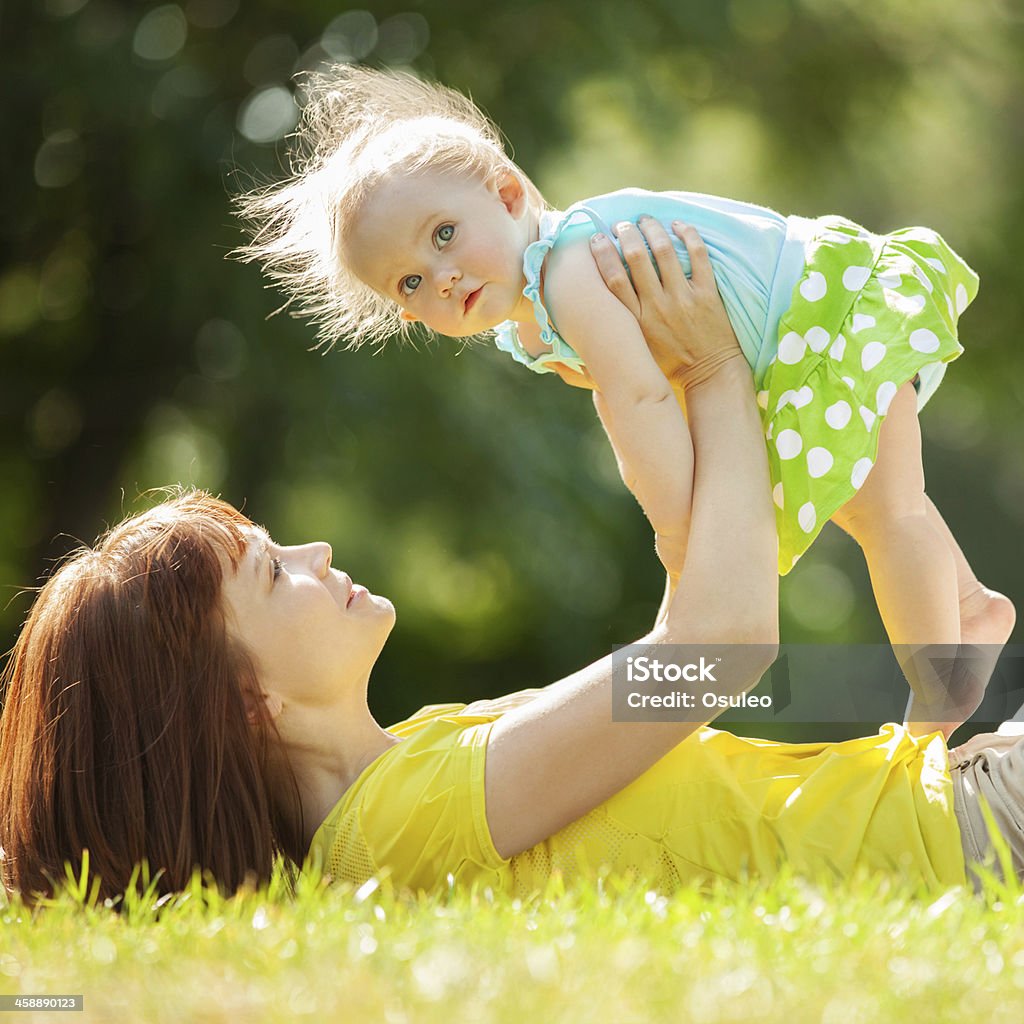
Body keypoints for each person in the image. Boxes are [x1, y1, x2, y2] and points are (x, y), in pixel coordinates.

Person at [1, 225, 1018, 906]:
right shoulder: (403, 825)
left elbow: (673, 662)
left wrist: (655, 408)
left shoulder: (420, 763)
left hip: (955, 799)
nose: (314, 552)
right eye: (274, 574)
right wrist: (710, 370)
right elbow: (718, 651)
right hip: (969, 837)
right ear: (243, 701)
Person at [234, 67, 1015, 738]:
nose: (439, 277)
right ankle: (971, 609)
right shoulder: (535, 318)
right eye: (410, 282)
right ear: (410, 318)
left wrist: (680, 530)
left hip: (827, 319)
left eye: (443, 234)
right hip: (796, 354)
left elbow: (639, 398)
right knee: (865, 502)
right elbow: (645, 387)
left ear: (507, 196)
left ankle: (937, 708)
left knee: (890, 515)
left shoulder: (568, 267)